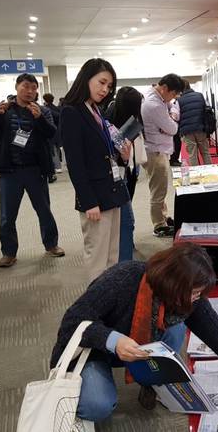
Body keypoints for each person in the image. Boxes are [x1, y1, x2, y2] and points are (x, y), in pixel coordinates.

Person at [50, 243, 218, 422]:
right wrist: (112, 340)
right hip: (93, 348)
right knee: (97, 405)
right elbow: (72, 322)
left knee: (177, 327)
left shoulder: (188, 298)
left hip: (135, 347)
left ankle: (151, 381)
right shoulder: (123, 278)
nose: (196, 299)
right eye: (194, 293)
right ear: (174, 285)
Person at [61, 58, 131, 279]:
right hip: (95, 197)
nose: (105, 89)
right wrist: (88, 201)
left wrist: (123, 156)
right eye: (101, 82)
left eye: (109, 86)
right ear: (86, 78)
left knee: (112, 256)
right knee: (97, 258)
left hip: (112, 190)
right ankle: (96, 299)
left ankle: (109, 297)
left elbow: (102, 152)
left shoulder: (95, 109)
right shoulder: (72, 112)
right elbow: (75, 162)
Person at [0, 74, 64, 268]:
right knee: (7, 215)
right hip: (9, 171)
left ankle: (51, 244)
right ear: (16, 87)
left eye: (34, 88)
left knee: (44, 210)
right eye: (26, 86)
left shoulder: (42, 110)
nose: (30, 91)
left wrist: (39, 118)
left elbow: (52, 133)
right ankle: (8, 252)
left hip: (35, 170)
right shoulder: (4, 109)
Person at [140, 74, 184, 238]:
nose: (173, 98)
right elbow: (173, 129)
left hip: (155, 149)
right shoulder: (155, 105)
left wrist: (169, 117)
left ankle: (163, 218)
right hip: (156, 152)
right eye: (173, 94)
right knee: (159, 190)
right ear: (165, 88)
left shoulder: (156, 98)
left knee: (159, 188)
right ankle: (159, 225)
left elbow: (169, 123)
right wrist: (172, 117)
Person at [106, 86, 144, 262]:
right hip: (119, 171)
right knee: (124, 215)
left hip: (130, 167)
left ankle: (126, 243)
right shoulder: (111, 121)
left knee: (126, 210)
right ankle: (123, 250)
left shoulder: (128, 117)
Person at [177, 81, 211, 166]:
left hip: (187, 130)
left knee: (192, 154)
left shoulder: (179, 100)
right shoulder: (199, 95)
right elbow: (205, 110)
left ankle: (196, 173)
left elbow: (178, 116)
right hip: (201, 128)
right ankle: (210, 171)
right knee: (205, 153)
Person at [43, 93, 63, 178]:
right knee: (57, 148)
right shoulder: (56, 108)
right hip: (58, 131)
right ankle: (58, 165)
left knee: (52, 150)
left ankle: (57, 166)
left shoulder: (46, 109)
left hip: (52, 132)